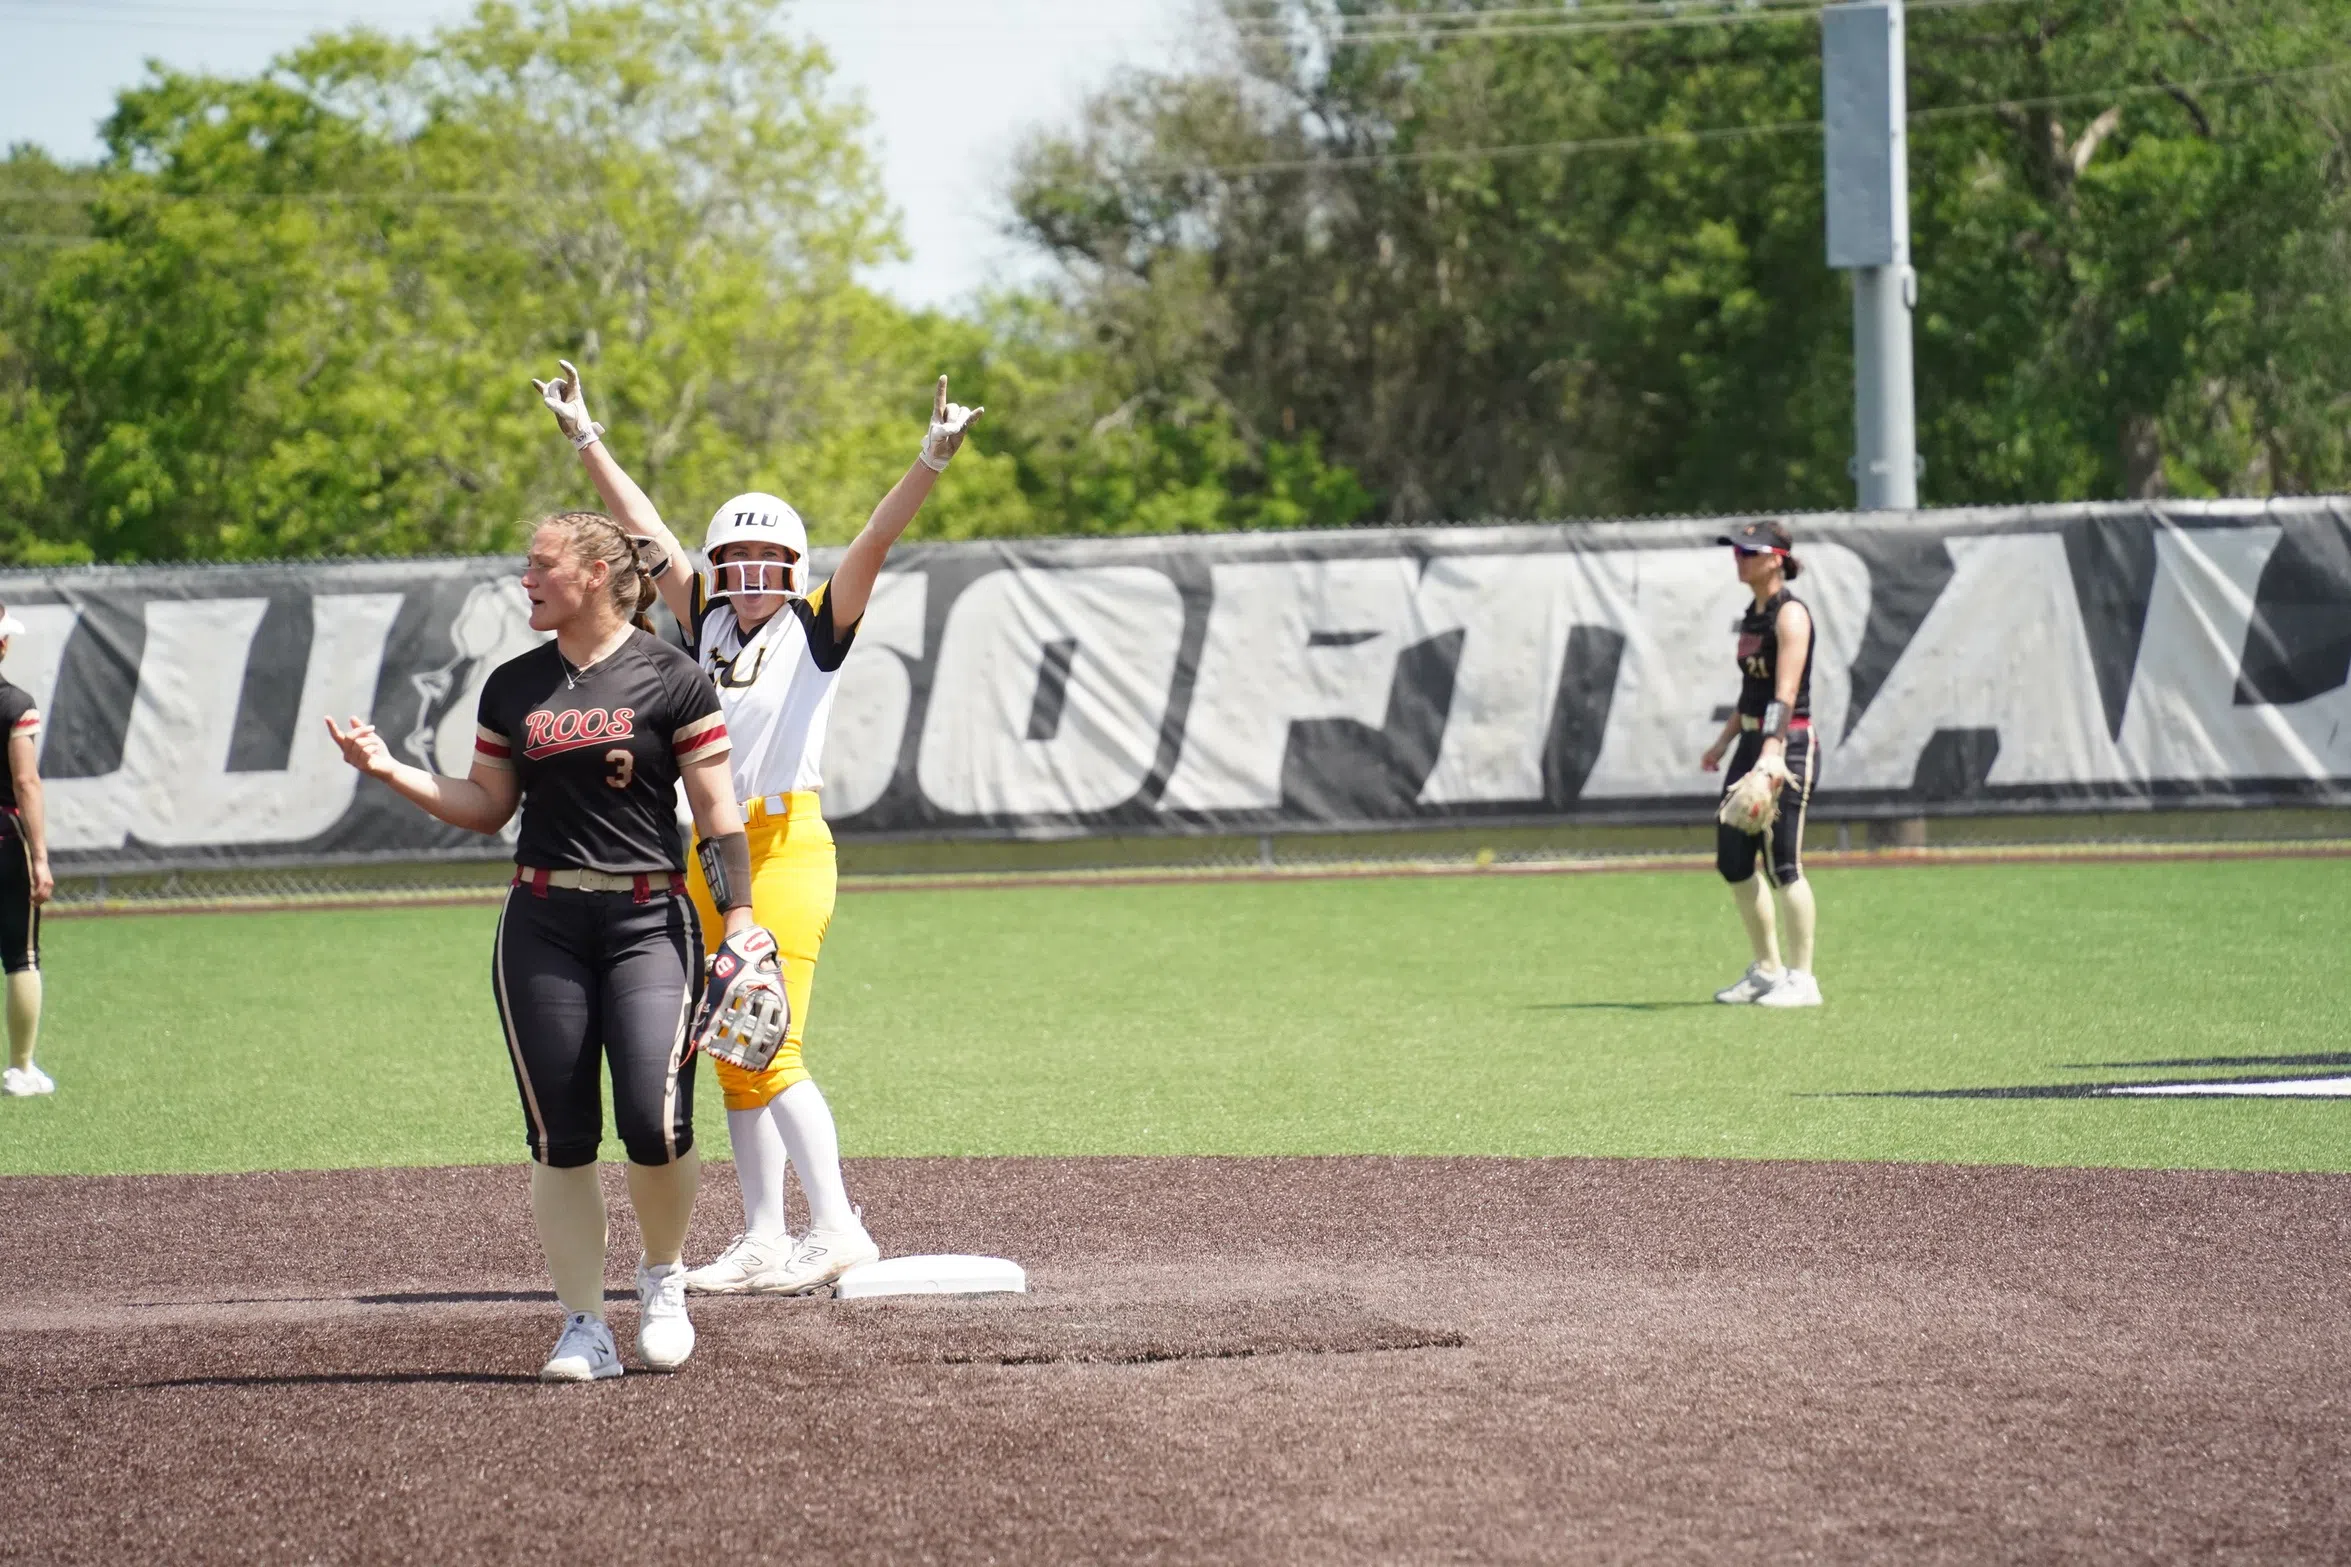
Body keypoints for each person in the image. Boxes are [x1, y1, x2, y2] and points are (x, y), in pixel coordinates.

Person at [533, 359, 981, 1294]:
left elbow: (874, 537)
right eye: (732, 563)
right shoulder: (703, 624)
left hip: (785, 846)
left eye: (765, 564)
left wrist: (929, 461)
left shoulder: (815, 625)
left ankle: (840, 1225)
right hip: (708, 849)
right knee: (729, 1048)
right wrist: (585, 434)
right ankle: (766, 1236)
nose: (746, 578)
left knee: (771, 1039)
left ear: (793, 569)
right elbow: (644, 530)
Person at [326, 510, 770, 1380]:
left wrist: (744, 915)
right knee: (561, 1136)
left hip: (651, 920)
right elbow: (487, 804)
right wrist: (388, 771)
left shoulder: (672, 677)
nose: (524, 578)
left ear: (598, 574)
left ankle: (663, 1276)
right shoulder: (512, 684)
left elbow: (717, 813)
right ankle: (582, 1323)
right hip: (542, 922)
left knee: (655, 1119)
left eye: (540, 563)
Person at [1700, 518, 1823, 1009]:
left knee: (1783, 864)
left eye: (1749, 552)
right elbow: (1751, 692)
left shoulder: (1789, 615)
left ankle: (1804, 978)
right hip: (1753, 743)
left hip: (1787, 745)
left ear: (1776, 558)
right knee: (1732, 860)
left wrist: (1771, 752)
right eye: (1737, 552)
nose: (1740, 559)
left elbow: (1785, 693)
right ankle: (1768, 969)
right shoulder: (1753, 615)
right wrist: (1723, 743)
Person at [0, 608, 54, 1098]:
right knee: (20, 955)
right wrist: (39, 855)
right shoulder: (15, 703)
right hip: (3, 837)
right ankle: (20, 1070)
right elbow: (25, 781)